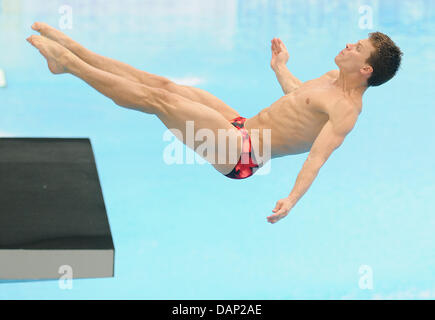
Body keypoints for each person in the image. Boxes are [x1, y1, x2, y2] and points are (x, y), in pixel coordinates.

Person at [27, 23, 402, 223]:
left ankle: (68, 65)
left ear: (366, 69)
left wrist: (291, 199)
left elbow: (316, 158)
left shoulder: (347, 111)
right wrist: (281, 67)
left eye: (358, 48)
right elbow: (297, 98)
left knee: (161, 101)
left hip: (243, 154)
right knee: (167, 86)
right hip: (240, 125)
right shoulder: (328, 78)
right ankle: (80, 53)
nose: (350, 44)